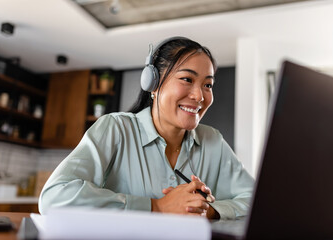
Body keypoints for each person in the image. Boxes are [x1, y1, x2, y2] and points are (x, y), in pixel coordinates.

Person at [39, 36, 254, 220]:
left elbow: (257, 201)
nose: (199, 96)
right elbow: (54, 197)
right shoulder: (115, 129)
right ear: (153, 85)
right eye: (187, 79)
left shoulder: (213, 141)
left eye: (207, 85)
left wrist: (208, 210)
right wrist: (157, 207)